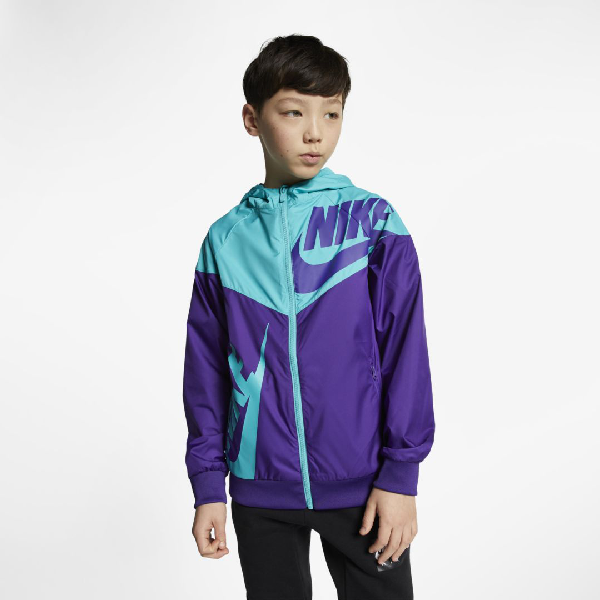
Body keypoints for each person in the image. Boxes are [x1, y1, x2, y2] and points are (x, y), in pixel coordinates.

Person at [182, 34, 435, 600]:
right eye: (294, 112)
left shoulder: (374, 223)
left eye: (332, 113)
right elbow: (205, 372)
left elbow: (406, 353)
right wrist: (208, 484)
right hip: (260, 489)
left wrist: (401, 475)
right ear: (252, 119)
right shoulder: (225, 241)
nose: (315, 132)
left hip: (364, 486)